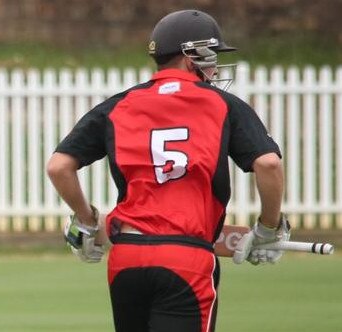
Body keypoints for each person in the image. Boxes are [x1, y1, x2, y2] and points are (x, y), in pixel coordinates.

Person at [47, 9, 290, 332]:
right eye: (212, 56)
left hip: (126, 258)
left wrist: (88, 222)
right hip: (186, 259)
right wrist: (268, 229)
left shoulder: (120, 104)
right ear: (194, 56)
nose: (215, 67)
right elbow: (268, 163)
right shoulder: (221, 104)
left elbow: (59, 166)